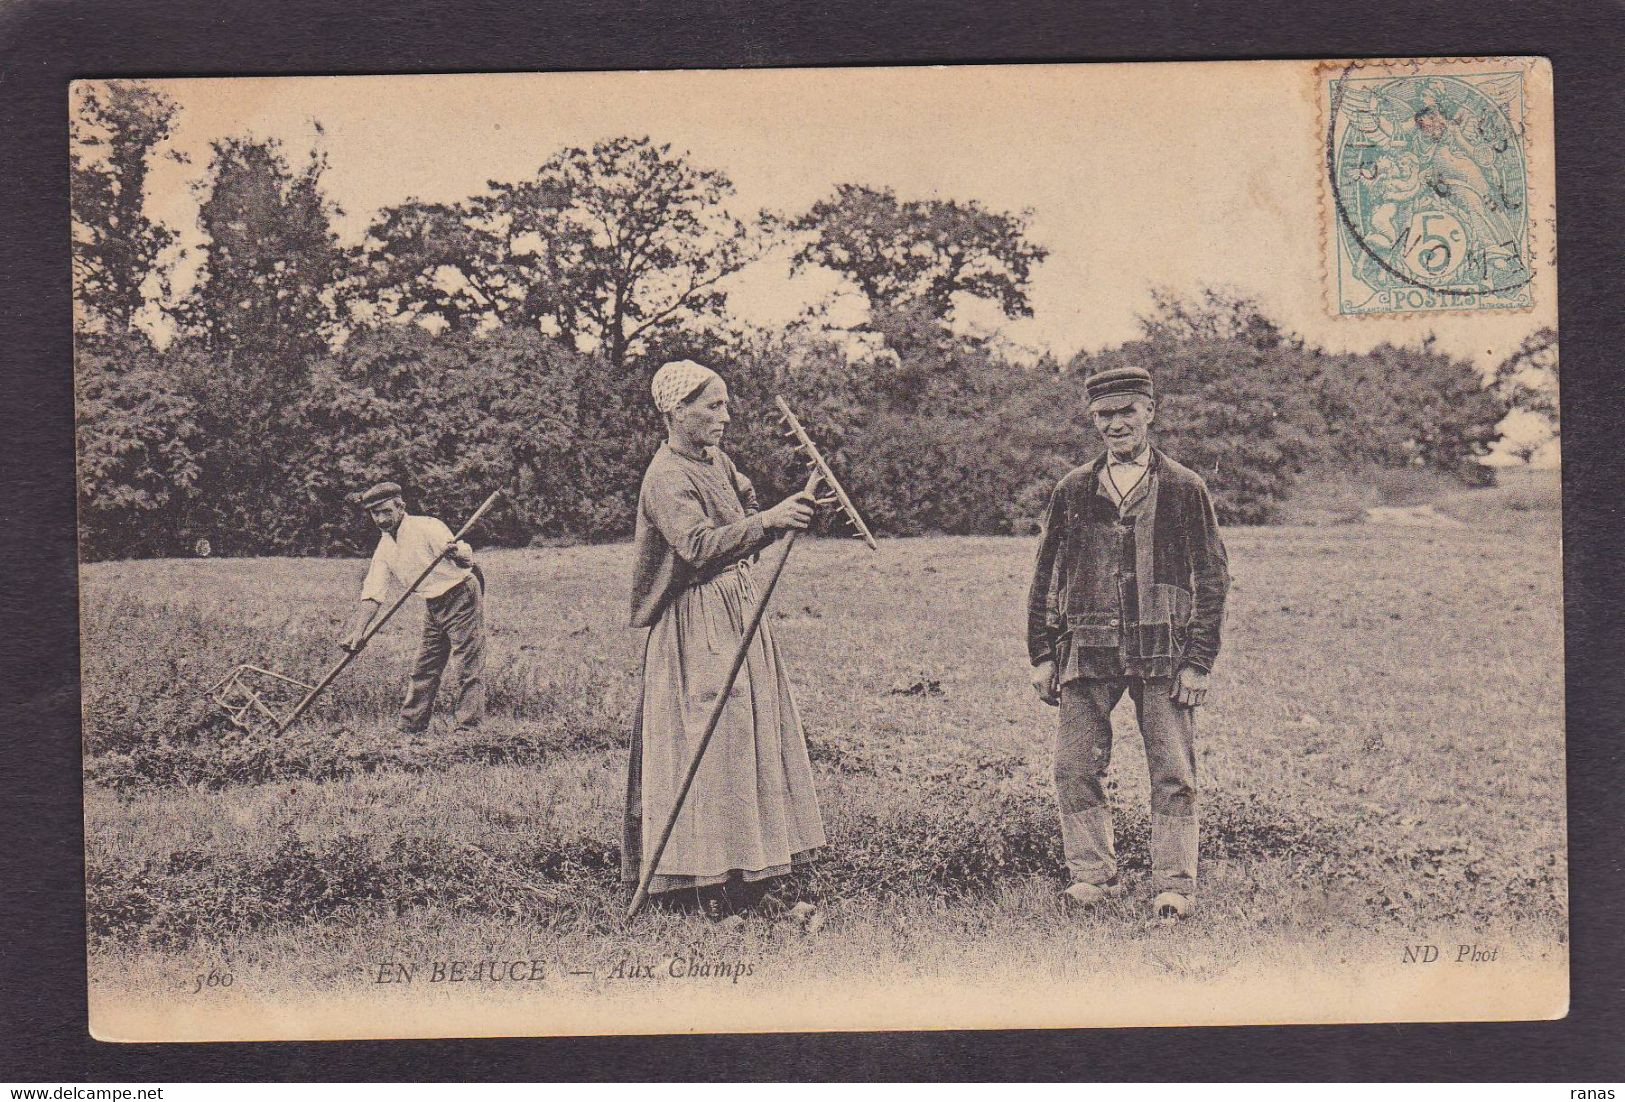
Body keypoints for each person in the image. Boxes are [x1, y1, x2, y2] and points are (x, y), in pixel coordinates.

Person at [622, 359, 826, 923]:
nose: (724, 417)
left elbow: (747, 518)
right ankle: (696, 882)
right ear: (675, 411)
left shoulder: (717, 462)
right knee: (708, 744)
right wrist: (771, 522)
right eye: (712, 406)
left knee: (748, 738)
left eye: (726, 405)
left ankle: (747, 877)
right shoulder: (665, 477)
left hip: (738, 609)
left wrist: (791, 513)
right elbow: (699, 547)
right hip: (696, 621)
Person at [1025, 366, 1230, 923]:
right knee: (1074, 766)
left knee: (1173, 769)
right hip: (1085, 647)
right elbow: (1047, 572)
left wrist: (1199, 662)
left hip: (1165, 648)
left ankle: (1174, 885)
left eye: (1125, 413)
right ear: (1093, 420)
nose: (1115, 425)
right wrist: (1041, 653)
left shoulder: (1186, 488)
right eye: (1103, 416)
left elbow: (1211, 577)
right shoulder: (1073, 489)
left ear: (1149, 413)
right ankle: (1093, 876)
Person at [340, 482, 485, 734]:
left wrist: (455, 553)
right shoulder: (385, 547)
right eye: (376, 514)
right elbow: (373, 591)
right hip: (434, 603)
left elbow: (466, 559)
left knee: (467, 665)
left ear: (400, 507)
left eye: (386, 511)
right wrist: (358, 632)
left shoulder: (427, 527)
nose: (382, 519)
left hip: (461, 593)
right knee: (424, 667)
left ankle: (468, 729)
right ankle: (410, 729)